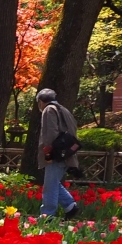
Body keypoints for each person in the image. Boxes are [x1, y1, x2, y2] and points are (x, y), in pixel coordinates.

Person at [36, 88, 80, 219]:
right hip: (66, 153)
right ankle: (70, 206)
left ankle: (47, 215)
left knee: (50, 185)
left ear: (41, 101)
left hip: (56, 154)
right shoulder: (64, 110)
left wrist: (48, 154)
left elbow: (49, 134)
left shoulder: (49, 110)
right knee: (53, 182)